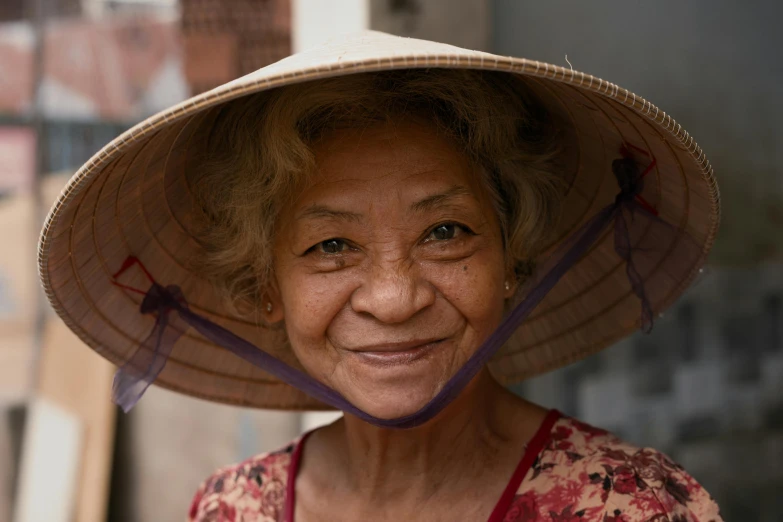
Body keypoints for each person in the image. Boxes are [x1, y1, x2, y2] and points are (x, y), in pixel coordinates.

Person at [38, 32, 723, 521]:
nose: (394, 299)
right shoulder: (232, 508)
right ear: (265, 288)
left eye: (445, 232)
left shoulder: (626, 506)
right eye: (331, 245)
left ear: (510, 259)